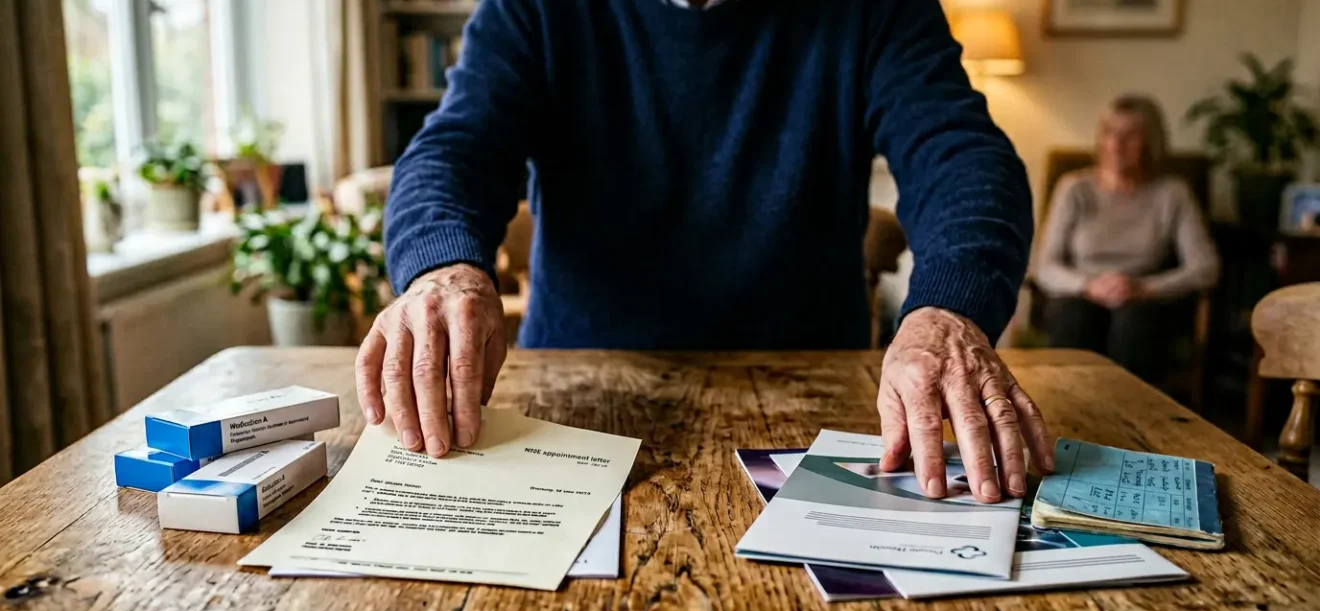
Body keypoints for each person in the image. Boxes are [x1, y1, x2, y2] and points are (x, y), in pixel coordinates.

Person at [356, 0, 1054, 504]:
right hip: (579, 397)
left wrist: (948, 310)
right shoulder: (533, 9)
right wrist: (442, 267)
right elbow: (456, 149)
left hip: (817, 405)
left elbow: (962, 157)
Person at [1036, 95, 1220, 382]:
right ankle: (1068, 414)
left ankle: (1129, 420)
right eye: (1109, 132)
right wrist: (1088, 286)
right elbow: (1044, 266)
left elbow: (1206, 268)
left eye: (1130, 135)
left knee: (1134, 322)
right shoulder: (1074, 188)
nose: (1116, 145)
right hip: (1081, 293)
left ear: (1151, 143)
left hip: (1143, 299)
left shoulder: (1172, 193)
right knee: (1074, 316)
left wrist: (1145, 288)